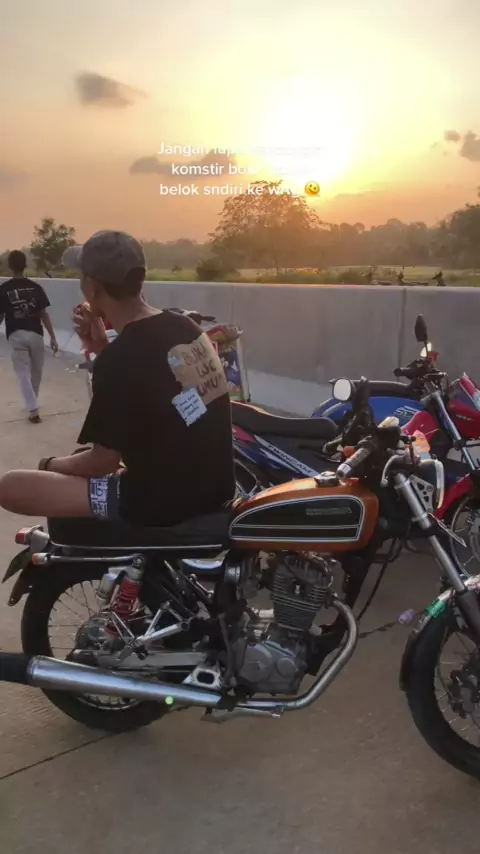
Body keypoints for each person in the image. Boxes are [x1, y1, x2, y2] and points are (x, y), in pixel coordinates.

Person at [0, 230, 235, 526]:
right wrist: (101, 348)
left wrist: (49, 464)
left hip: (164, 502)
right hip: (216, 488)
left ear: (92, 286)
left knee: (12, 485)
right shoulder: (187, 327)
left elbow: (102, 462)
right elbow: (147, 387)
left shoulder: (121, 357)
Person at [0, 250, 58, 422]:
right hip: (36, 334)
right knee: (36, 372)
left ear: (10, 266)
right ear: (25, 265)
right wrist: (53, 337)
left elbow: (0, 316)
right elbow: (43, 314)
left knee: (23, 373)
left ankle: (32, 405)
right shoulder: (36, 287)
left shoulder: (3, 289)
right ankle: (33, 406)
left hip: (16, 334)